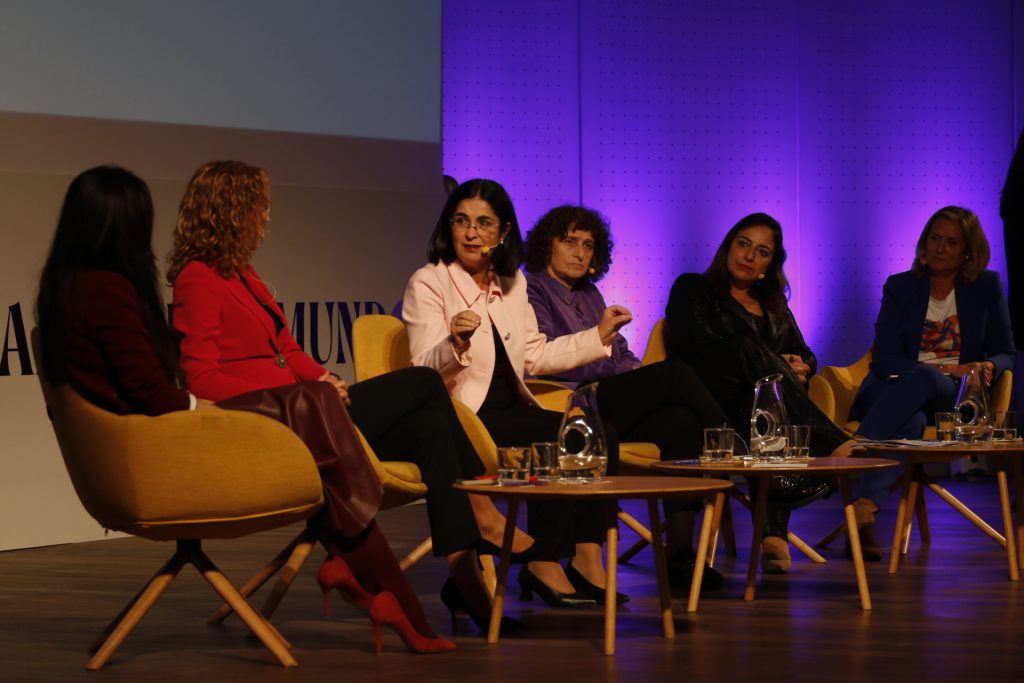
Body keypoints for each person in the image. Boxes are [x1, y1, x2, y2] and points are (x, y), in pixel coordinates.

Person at [35, 165, 453, 655]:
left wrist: (314, 378)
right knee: (326, 411)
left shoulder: (71, 285)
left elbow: (151, 382)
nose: (268, 219)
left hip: (150, 441)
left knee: (346, 414)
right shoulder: (109, 289)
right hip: (155, 453)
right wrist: (204, 406)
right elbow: (153, 389)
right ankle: (386, 583)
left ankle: (368, 573)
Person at [167, 160, 522, 635]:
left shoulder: (244, 275)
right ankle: (481, 509)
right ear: (233, 212)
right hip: (274, 423)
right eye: (261, 209)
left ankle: (464, 574)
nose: (266, 220)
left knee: (430, 427)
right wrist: (300, 391)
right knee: (421, 384)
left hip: (306, 407)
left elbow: (287, 349)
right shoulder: (197, 278)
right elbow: (204, 380)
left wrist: (323, 377)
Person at [402, 179, 633, 607]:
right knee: (557, 439)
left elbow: (535, 355)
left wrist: (597, 335)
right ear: (448, 227)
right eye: (462, 221)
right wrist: (455, 343)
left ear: (503, 232)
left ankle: (585, 558)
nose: (472, 233)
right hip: (465, 414)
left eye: (484, 223)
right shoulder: (429, 282)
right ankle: (543, 562)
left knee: (600, 436)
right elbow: (421, 371)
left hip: (510, 406)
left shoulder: (511, 283)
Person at [522, 204, 727, 589]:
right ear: (546, 244)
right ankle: (730, 442)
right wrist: (627, 369)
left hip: (608, 397)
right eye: (569, 241)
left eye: (588, 245)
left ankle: (680, 556)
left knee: (680, 424)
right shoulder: (532, 288)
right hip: (568, 401)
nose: (580, 252)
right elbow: (541, 359)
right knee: (676, 374)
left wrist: (636, 372)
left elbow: (620, 355)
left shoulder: (590, 294)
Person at [664, 212, 855, 573]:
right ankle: (829, 442)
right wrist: (769, 359)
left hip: (751, 411)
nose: (749, 256)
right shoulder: (693, 288)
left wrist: (801, 366)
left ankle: (772, 535)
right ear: (728, 247)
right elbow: (699, 342)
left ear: (770, 264)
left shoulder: (775, 309)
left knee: (762, 410)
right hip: (701, 399)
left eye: (762, 251)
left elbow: (806, 352)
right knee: (744, 351)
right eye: (743, 244)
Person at [847, 206, 1016, 559]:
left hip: (951, 397)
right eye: (934, 239)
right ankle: (862, 513)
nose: (939, 248)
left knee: (927, 378)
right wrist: (936, 372)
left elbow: (1006, 353)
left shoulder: (986, 287)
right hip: (893, 388)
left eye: (951, 242)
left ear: (967, 251)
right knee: (912, 421)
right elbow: (886, 358)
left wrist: (985, 365)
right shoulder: (900, 287)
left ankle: (853, 450)